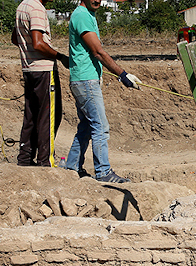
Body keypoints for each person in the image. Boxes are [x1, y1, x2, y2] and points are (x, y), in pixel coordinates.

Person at [65, 0, 142, 183]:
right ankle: (103, 172)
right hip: (85, 81)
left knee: (85, 127)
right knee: (100, 126)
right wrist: (122, 74)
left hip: (83, 79)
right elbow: (97, 51)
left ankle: (72, 167)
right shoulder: (82, 15)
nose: (97, 0)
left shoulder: (86, 14)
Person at [13, 0, 70, 167]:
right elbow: (38, 43)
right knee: (49, 117)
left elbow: (15, 38)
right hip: (44, 70)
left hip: (29, 69)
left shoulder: (22, 6)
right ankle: (45, 161)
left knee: (31, 115)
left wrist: (26, 48)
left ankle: (24, 158)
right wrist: (60, 56)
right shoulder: (37, 8)